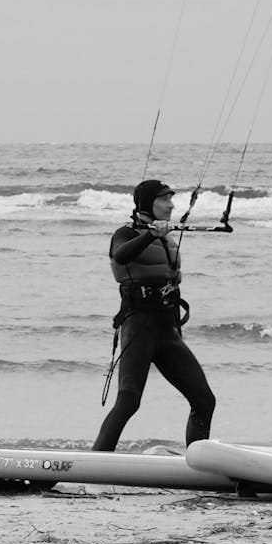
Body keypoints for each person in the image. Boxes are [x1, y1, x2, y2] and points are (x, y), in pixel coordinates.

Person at [93, 180, 215, 452]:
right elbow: (122, 255)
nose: (171, 205)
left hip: (166, 330)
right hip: (139, 325)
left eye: (172, 200)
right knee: (129, 400)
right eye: (164, 200)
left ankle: (198, 462)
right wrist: (151, 235)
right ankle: (95, 463)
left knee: (204, 399)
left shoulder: (168, 239)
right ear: (148, 204)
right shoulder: (124, 233)